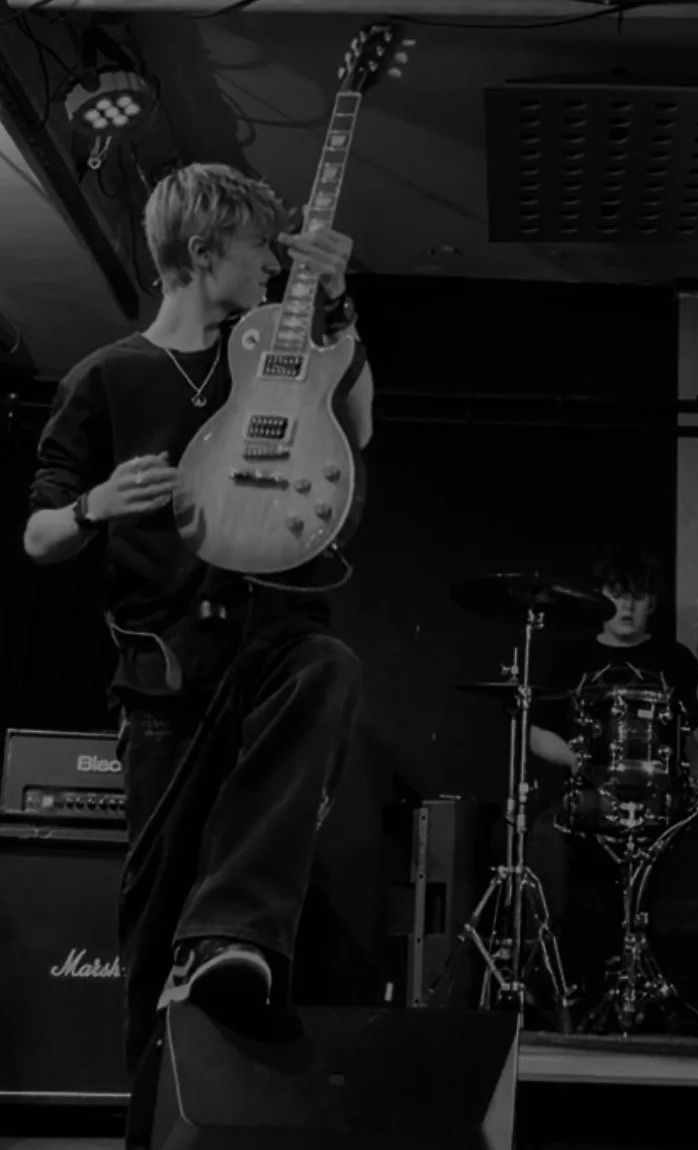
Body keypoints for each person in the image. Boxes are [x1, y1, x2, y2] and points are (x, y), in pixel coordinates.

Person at [22, 163, 374, 1146]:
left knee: (328, 666)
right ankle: (150, 1130)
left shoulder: (265, 354)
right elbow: (39, 536)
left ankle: (232, 940)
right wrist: (93, 505)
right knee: (153, 929)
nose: (272, 264)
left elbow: (355, 419)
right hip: (163, 680)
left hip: (269, 641)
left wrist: (337, 305)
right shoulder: (107, 377)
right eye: (260, 247)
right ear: (206, 248)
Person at [526, 547, 698, 1020]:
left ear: (652, 604)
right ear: (601, 598)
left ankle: (691, 986)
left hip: (663, 800)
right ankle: (548, 978)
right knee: (541, 838)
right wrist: (580, 762)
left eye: (637, 597)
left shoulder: (674, 660)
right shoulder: (573, 656)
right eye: (617, 595)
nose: (627, 607)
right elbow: (537, 734)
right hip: (590, 797)